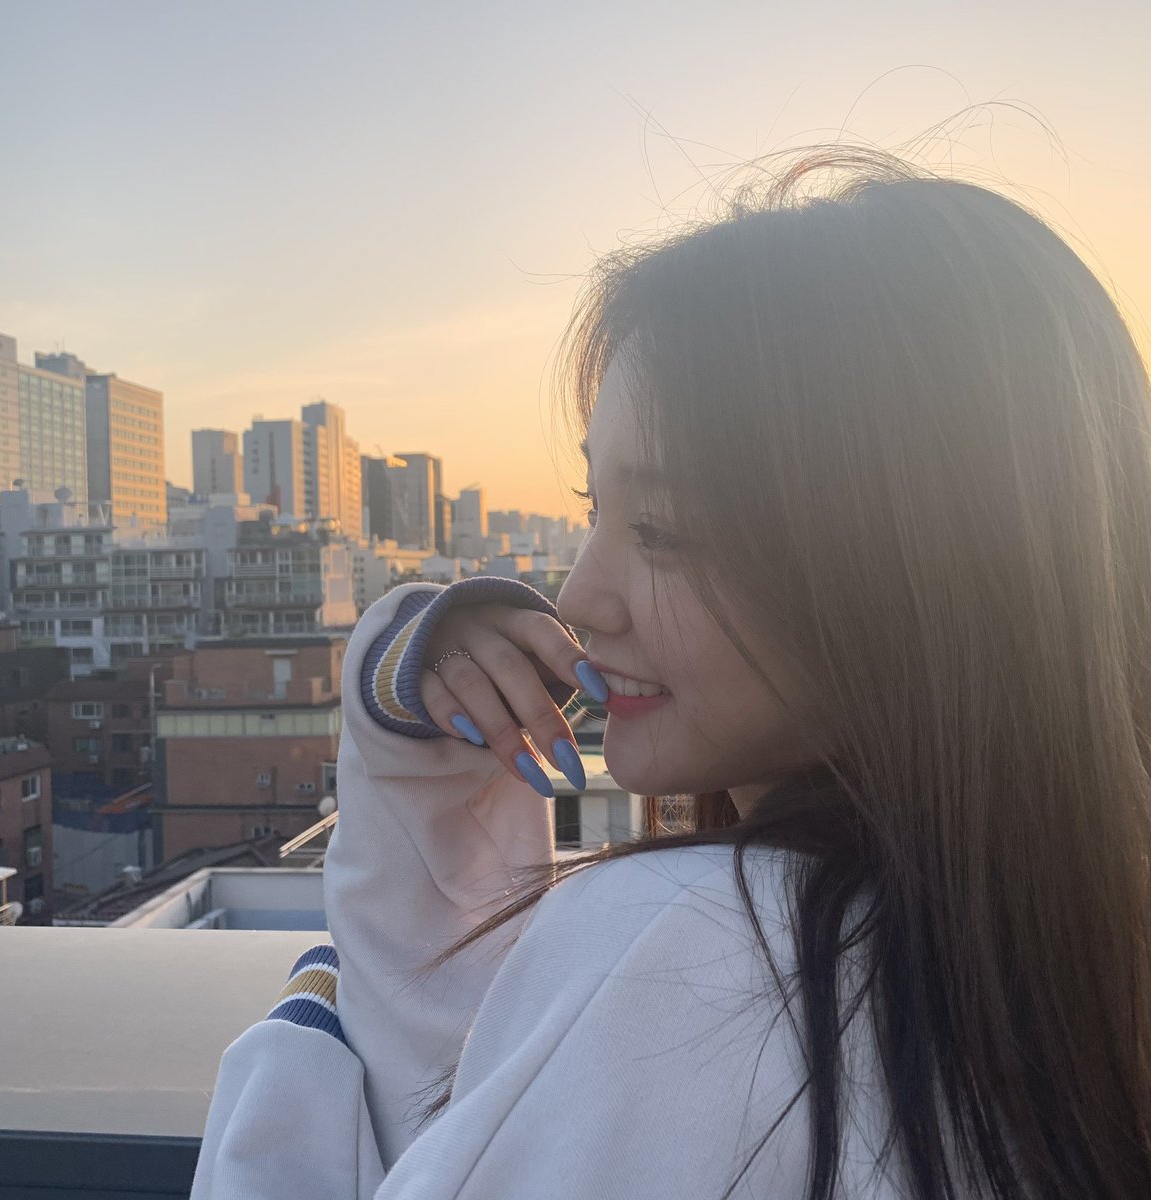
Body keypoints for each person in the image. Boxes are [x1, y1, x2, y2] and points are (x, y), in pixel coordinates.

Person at [190, 145, 1151, 1199]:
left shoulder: (692, 946)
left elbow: (420, 1120)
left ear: (918, 564)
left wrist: (306, 1032)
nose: (580, 598)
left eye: (662, 529)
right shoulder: (1054, 959)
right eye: (594, 509)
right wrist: (415, 733)